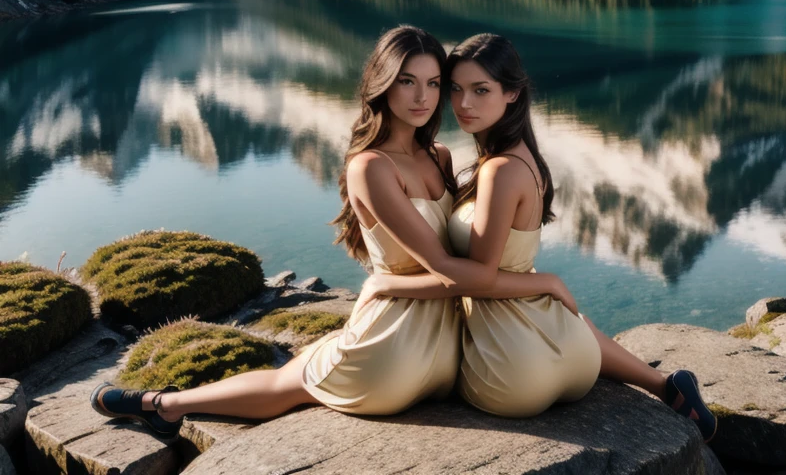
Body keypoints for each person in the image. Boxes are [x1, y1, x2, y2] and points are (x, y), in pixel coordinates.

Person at [90, 25, 576, 438]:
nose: (424, 97)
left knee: (288, 383)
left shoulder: (413, 160)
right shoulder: (393, 164)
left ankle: (164, 405)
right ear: (382, 83)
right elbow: (458, 267)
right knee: (307, 363)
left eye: (433, 83)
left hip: (403, 350)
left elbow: (458, 269)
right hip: (448, 350)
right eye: (407, 81)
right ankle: (165, 404)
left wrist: (385, 283)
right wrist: (545, 281)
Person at [366, 33, 717, 440]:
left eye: (481, 90)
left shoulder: (498, 170)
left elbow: (477, 279)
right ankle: (664, 385)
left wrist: (387, 283)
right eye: (456, 89)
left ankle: (662, 384)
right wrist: (543, 285)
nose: (463, 104)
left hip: (511, 375)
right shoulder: (523, 157)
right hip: (577, 358)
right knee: (565, 315)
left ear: (513, 93)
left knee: (432, 372)